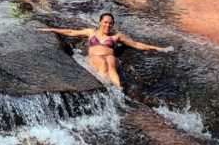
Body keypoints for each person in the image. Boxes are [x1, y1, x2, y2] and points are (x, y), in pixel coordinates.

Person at [39, 13, 173, 89]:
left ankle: (118, 90)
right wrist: (51, 30)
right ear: (99, 22)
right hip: (95, 57)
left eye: (110, 23)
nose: (108, 25)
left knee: (111, 66)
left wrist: (159, 48)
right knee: (102, 63)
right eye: (105, 22)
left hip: (110, 56)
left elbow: (136, 44)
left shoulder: (116, 36)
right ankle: (106, 87)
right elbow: (71, 32)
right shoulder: (91, 32)